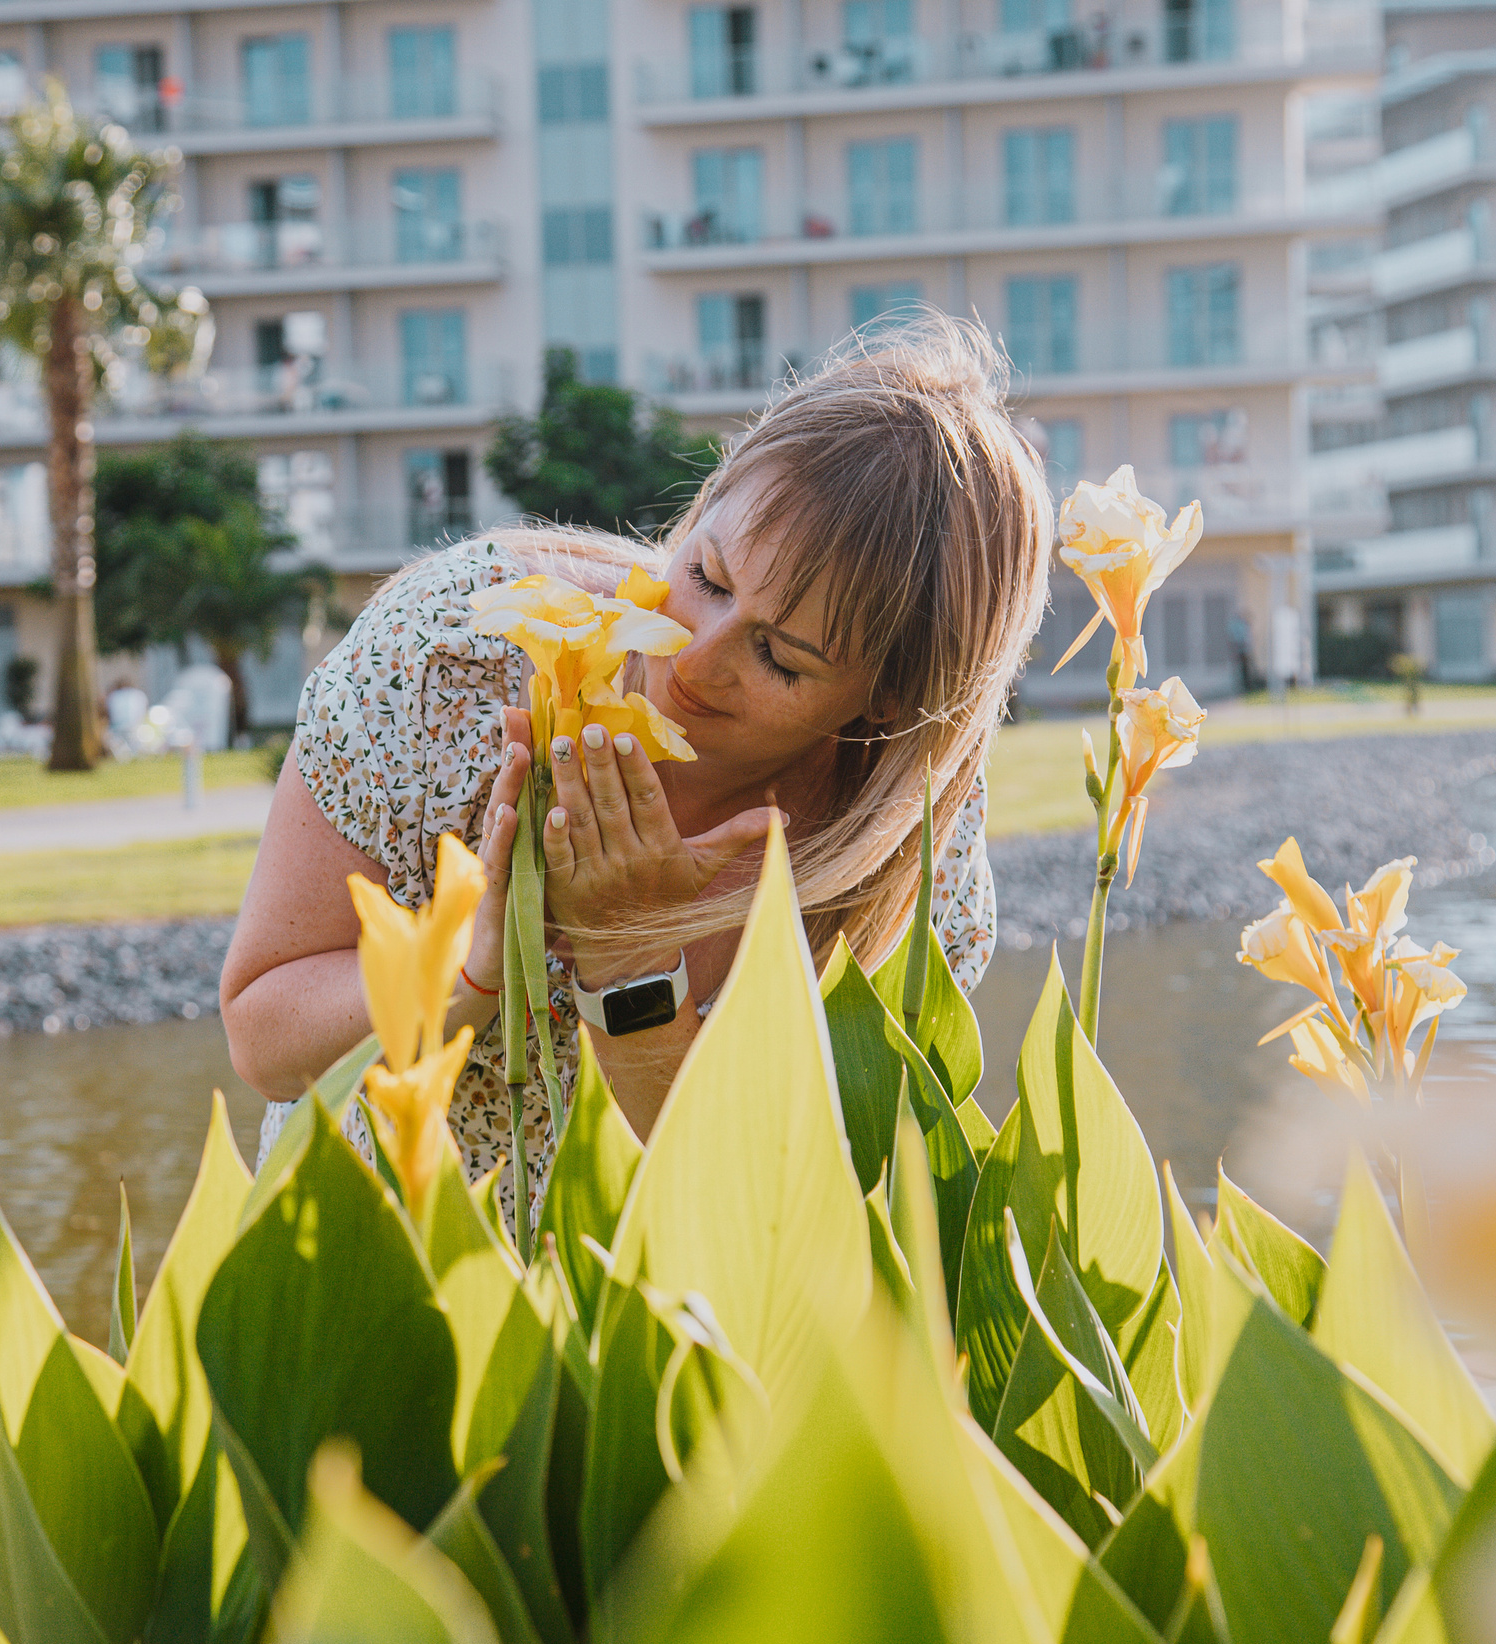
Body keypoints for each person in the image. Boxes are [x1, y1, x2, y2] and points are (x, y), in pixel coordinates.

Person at [220, 315, 1049, 1203]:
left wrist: (634, 968)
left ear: (886, 701)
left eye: (780, 657)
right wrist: (468, 967)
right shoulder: (455, 653)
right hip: (379, 1274)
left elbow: (775, 1219)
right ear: (707, 501)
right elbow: (263, 1037)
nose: (694, 658)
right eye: (709, 577)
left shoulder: (908, 847)